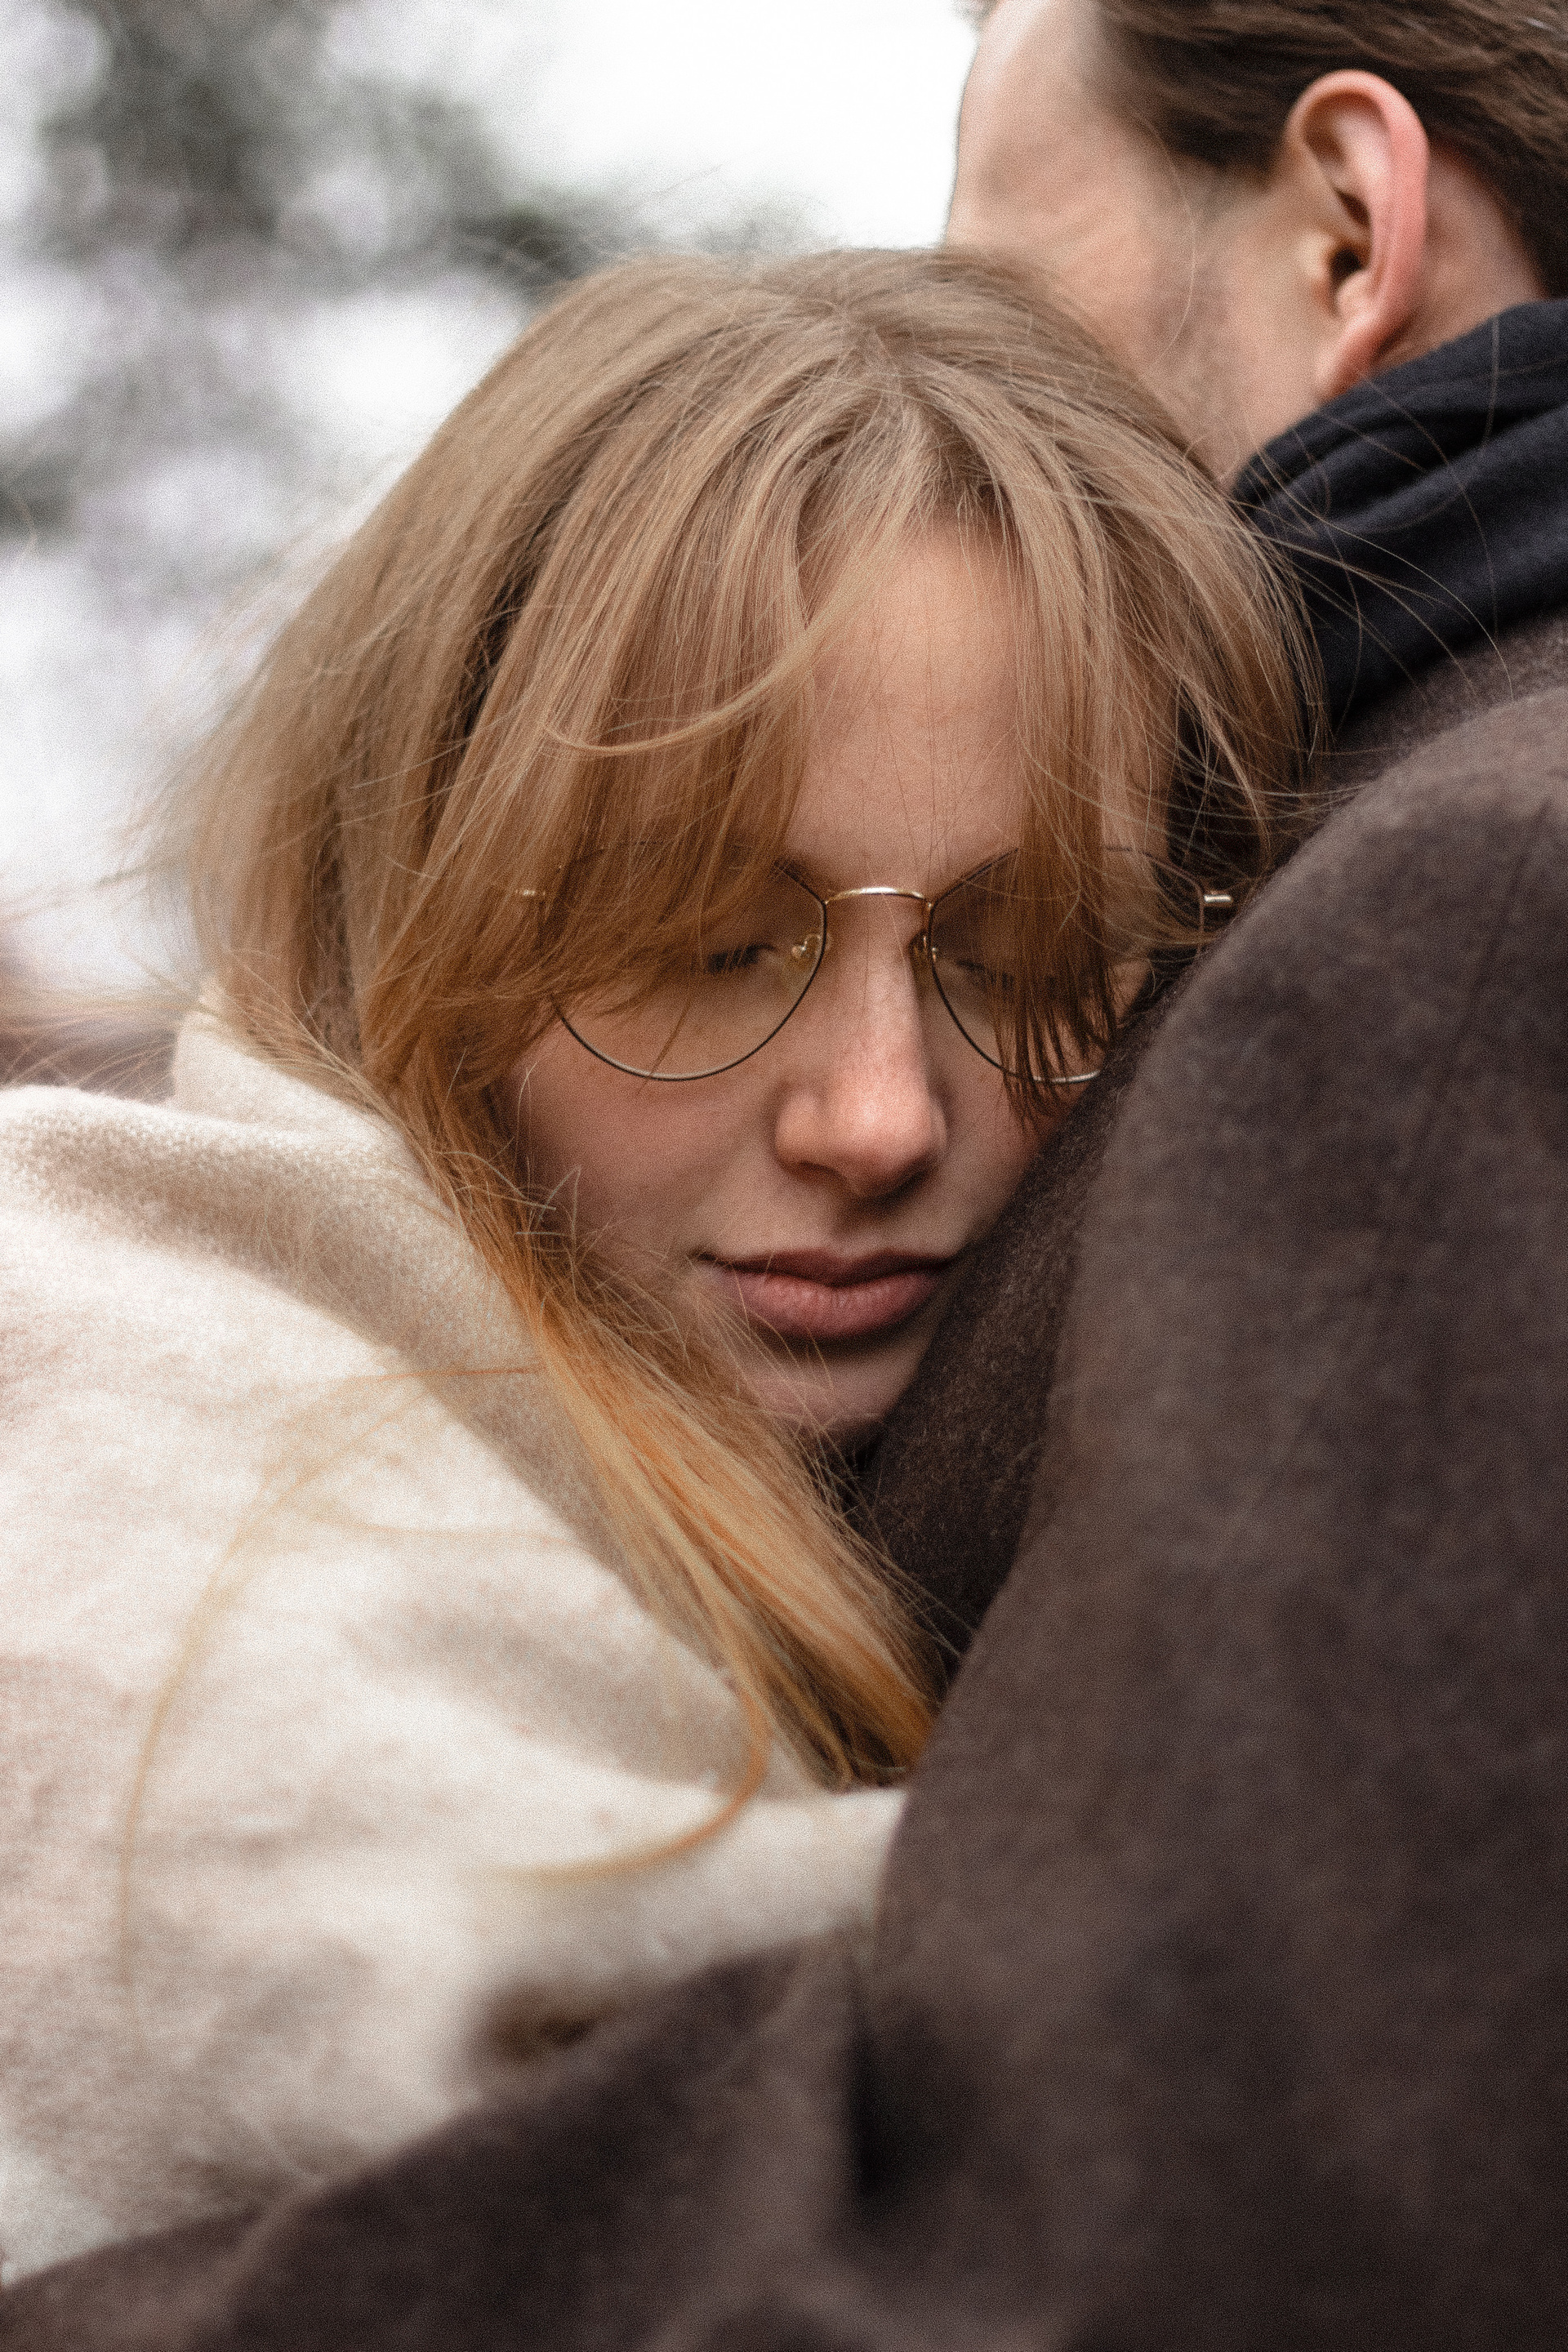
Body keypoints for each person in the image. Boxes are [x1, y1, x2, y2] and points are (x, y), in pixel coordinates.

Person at [18, 9, 1562, 2349]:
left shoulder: (1436, 882)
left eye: (1026, 953)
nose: (875, 1119)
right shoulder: (138, 1451)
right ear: (416, 900)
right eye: (705, 942)